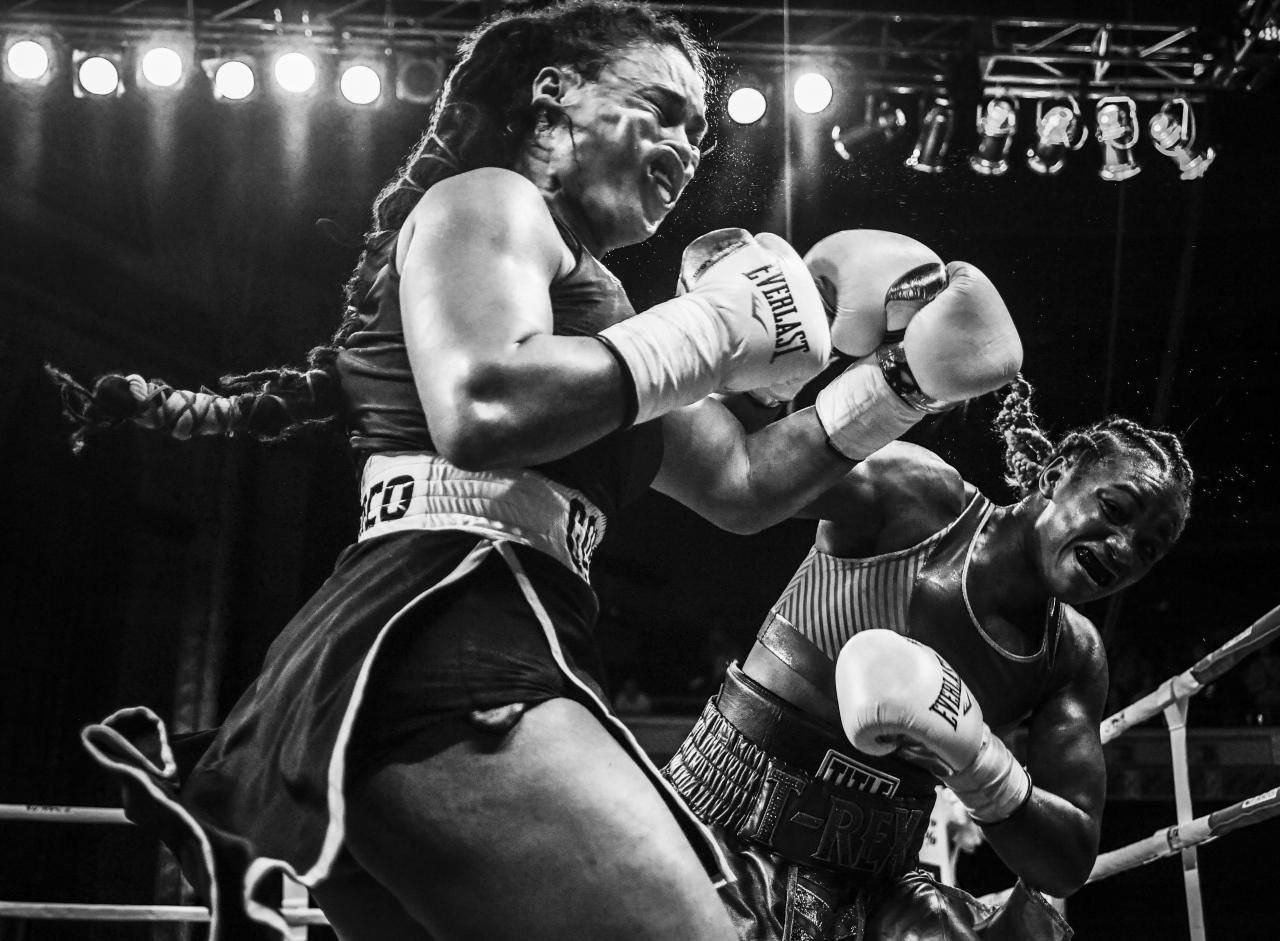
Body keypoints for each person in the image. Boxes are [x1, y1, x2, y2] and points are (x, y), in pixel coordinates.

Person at [49, 2, 1021, 939]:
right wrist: (721, 324)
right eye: (661, 109)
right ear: (554, 95)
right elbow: (480, 405)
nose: (685, 149)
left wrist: (903, 378)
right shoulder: (488, 200)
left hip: (468, 636)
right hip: (438, 626)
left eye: (699, 131)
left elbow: (740, 480)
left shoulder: (601, 321)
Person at [665, 372, 1194, 940]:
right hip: (720, 821)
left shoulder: (1071, 654)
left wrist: (982, 766)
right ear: (1054, 476)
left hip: (877, 883)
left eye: (1147, 548)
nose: (1122, 549)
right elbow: (742, 469)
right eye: (1114, 510)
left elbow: (1068, 859)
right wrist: (770, 370)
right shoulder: (919, 497)